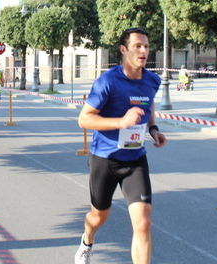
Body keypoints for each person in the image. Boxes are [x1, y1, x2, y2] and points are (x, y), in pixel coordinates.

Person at [75, 28, 167, 264]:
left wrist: (153, 129)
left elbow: (149, 107)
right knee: (98, 216)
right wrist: (122, 121)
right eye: (137, 46)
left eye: (146, 46)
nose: (144, 50)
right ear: (123, 50)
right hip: (105, 159)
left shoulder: (152, 81)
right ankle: (87, 241)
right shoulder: (107, 82)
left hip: (135, 160)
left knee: (144, 223)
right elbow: (84, 119)